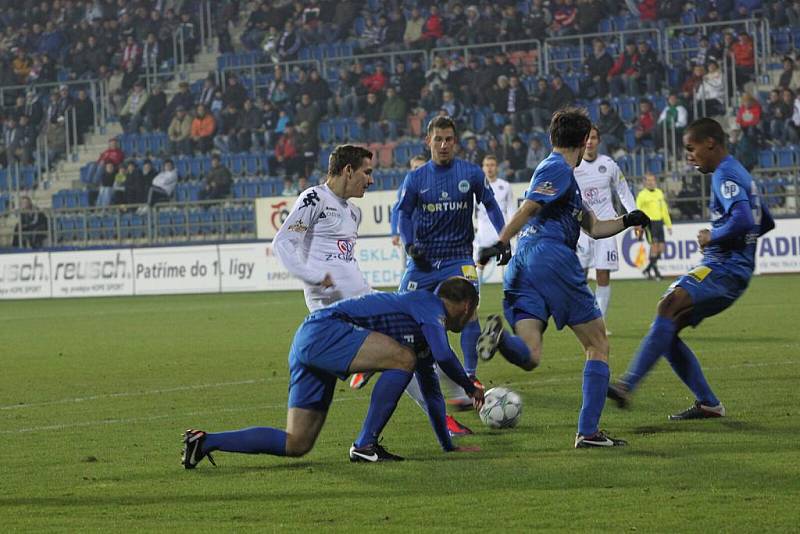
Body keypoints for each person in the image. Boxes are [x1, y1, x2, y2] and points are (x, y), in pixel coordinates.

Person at [475, 108, 650, 448]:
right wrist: (499, 242)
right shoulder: (556, 168)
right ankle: (588, 431)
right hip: (549, 257)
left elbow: (596, 228)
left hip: (524, 267)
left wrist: (629, 219)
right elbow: (528, 208)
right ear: (584, 141)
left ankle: (500, 338)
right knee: (597, 344)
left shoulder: (567, 182)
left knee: (531, 354)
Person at [181, 277, 484, 468]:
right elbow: (444, 355)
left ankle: (204, 441)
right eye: (473, 314)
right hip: (327, 331)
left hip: (311, 340)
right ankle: (365, 445)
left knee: (296, 443)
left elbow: (431, 392)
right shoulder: (429, 305)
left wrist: (448, 445)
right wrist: (469, 386)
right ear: (466, 306)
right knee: (402, 359)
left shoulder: (423, 331)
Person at [607, 118, 775, 420]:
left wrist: (715, 237)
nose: (689, 155)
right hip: (729, 266)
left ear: (710, 142)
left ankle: (626, 384)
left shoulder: (724, 173)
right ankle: (708, 403)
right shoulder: (740, 172)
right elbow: (766, 220)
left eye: (691, 148)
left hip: (724, 267)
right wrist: (742, 248)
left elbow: (744, 219)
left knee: (668, 305)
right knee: (667, 326)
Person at [394, 116, 506, 411]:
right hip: (424, 260)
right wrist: (409, 244)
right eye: (438, 139)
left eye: (448, 139)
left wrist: (504, 238)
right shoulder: (416, 178)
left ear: (455, 142)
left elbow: (491, 206)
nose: (443, 145)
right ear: (428, 141)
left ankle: (470, 377)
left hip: (458, 257)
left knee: (468, 310)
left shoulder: (471, 173)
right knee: (404, 316)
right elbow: (403, 215)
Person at [574, 127, 637, 333]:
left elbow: (623, 191)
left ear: (598, 141)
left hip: (607, 227)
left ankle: (598, 323)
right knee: (578, 276)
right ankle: (582, 317)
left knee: (603, 275)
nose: (589, 142)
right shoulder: (573, 166)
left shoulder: (609, 165)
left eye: (593, 137)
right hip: (582, 229)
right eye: (586, 138)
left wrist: (635, 216)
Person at [474, 154, 517, 281]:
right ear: (482, 167)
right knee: (479, 265)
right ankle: (477, 297)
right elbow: (472, 212)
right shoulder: (476, 187)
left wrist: (511, 231)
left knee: (509, 265)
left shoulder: (505, 186)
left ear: (497, 168)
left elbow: (511, 210)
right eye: (487, 165)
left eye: (492, 165)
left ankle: (510, 295)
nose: (489, 168)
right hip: (483, 233)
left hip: (501, 232)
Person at [636, 173, 672, 280]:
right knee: (655, 247)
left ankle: (648, 270)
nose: (651, 182)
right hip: (649, 223)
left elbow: (664, 209)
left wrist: (668, 224)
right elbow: (637, 210)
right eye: (648, 180)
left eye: (652, 180)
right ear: (644, 182)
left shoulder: (659, 193)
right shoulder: (642, 195)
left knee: (661, 248)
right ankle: (656, 273)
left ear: (655, 181)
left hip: (659, 222)